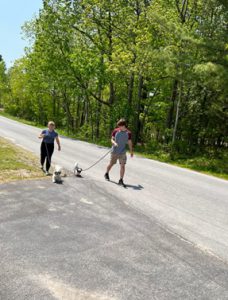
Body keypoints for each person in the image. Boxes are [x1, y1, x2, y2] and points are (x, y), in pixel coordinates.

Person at [104, 118, 133, 187]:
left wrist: (131, 151)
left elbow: (129, 142)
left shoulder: (128, 133)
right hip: (114, 151)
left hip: (122, 152)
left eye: (120, 126)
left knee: (122, 165)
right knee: (111, 164)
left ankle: (121, 179)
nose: (119, 127)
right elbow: (112, 139)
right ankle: (106, 173)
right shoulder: (116, 131)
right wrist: (114, 143)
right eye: (118, 126)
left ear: (124, 126)